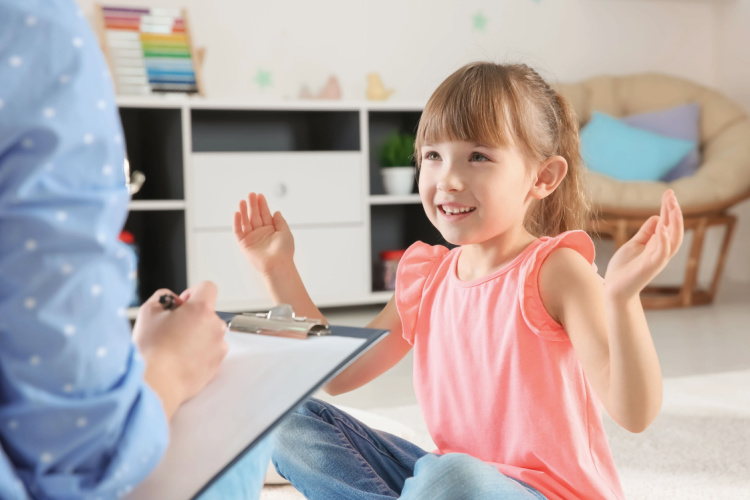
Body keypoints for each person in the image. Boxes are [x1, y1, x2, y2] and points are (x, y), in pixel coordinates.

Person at [233, 61, 684, 499]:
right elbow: (341, 374)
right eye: (433, 156)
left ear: (543, 177)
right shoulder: (427, 276)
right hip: (443, 481)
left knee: (451, 480)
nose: (447, 179)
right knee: (287, 422)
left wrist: (623, 298)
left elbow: (635, 413)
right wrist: (279, 269)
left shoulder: (556, 270)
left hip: (537, 492)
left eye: (478, 157)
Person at [0, 1, 269, 498]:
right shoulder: (36, 32)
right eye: (430, 157)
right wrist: (165, 366)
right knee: (248, 419)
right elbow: (79, 458)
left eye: (468, 156)